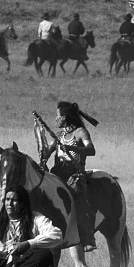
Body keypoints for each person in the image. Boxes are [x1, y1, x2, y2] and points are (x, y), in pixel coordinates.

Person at [45, 101, 99, 252]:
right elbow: (47, 152)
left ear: (65, 117)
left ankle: (87, 238)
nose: (56, 119)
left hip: (74, 175)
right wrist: (43, 154)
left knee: (79, 200)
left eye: (58, 115)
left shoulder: (80, 132)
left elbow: (91, 150)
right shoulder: (57, 136)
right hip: (57, 174)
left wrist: (70, 147)